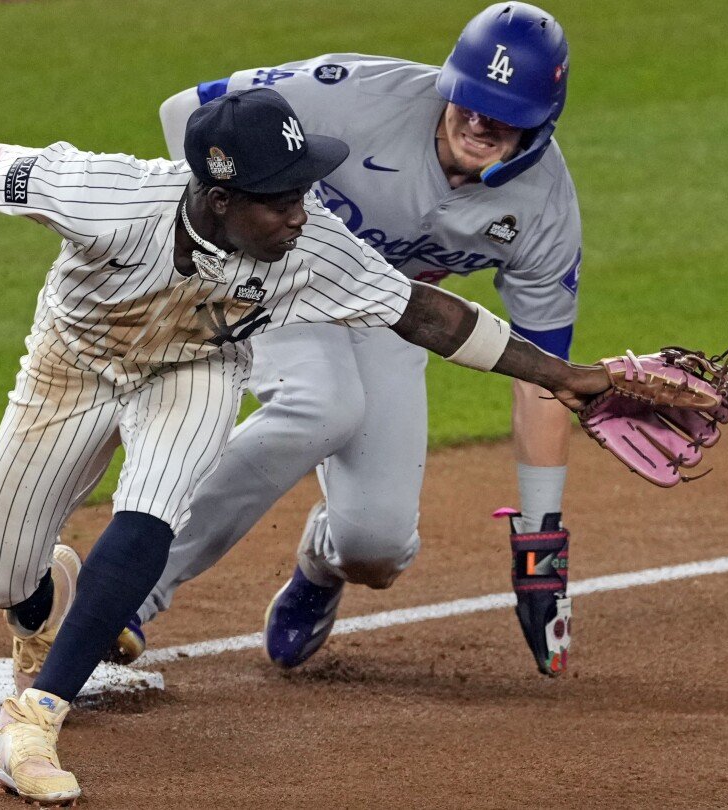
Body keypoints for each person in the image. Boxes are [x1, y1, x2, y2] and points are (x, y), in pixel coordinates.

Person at [0, 88, 656, 802]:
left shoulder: (310, 244)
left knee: (154, 504)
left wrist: (566, 378)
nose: (301, 212)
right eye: (278, 199)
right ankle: (40, 602)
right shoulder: (104, 194)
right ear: (217, 196)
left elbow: (426, 311)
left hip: (195, 372)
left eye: (304, 190)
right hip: (72, 368)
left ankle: (33, 721)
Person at [128, 2, 582, 672]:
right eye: (470, 99)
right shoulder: (352, 96)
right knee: (321, 404)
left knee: (378, 545)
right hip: (281, 274)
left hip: (394, 313)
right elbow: (184, 111)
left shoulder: (543, 208)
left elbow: (542, 377)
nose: (480, 121)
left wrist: (540, 545)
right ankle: (133, 586)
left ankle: (319, 566)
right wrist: (217, 229)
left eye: (505, 113)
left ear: (541, 125)